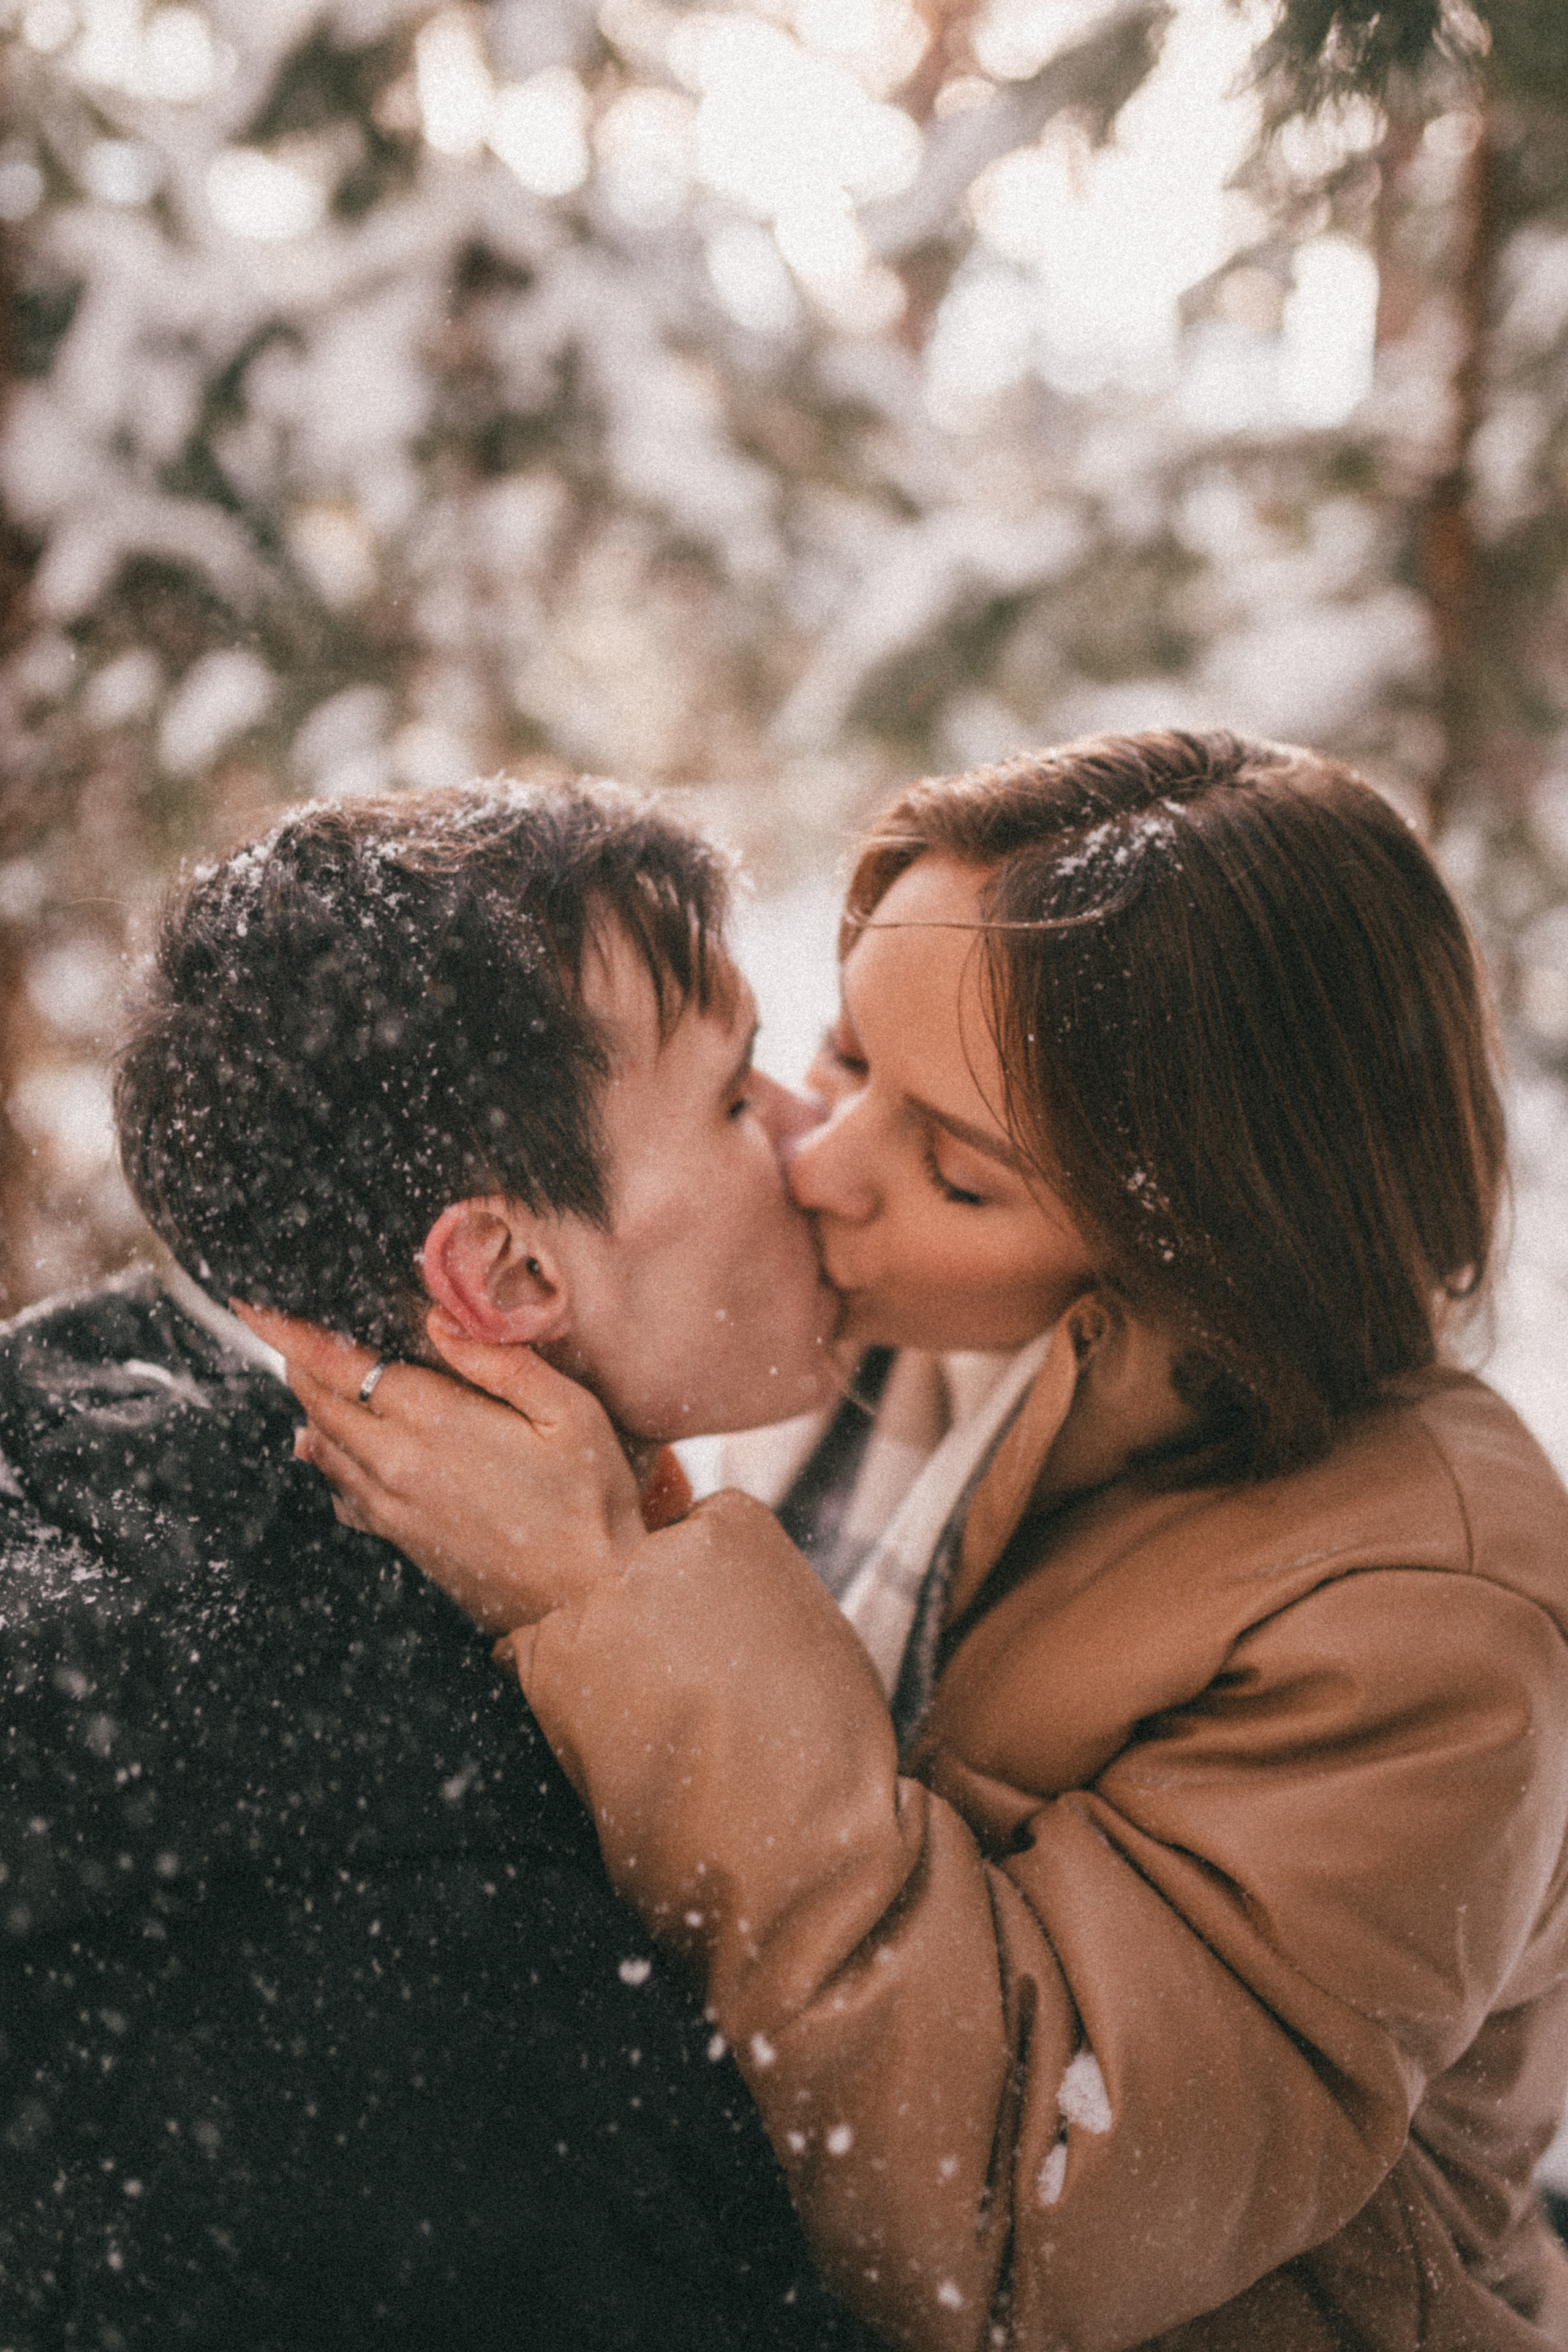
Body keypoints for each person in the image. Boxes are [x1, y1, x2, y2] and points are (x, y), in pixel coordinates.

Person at [262, 729, 1568, 2352]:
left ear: (1211, 1250)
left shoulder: (1422, 1613)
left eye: (954, 1168)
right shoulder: (883, 1347)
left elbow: (1020, 2220)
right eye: (849, 1053)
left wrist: (617, 1599)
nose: (820, 1157)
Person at [0, 775, 869, 2350]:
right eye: (739, 1098)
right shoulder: (413, 1942)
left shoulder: (147, 1494)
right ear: (510, 1271)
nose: (819, 1144)